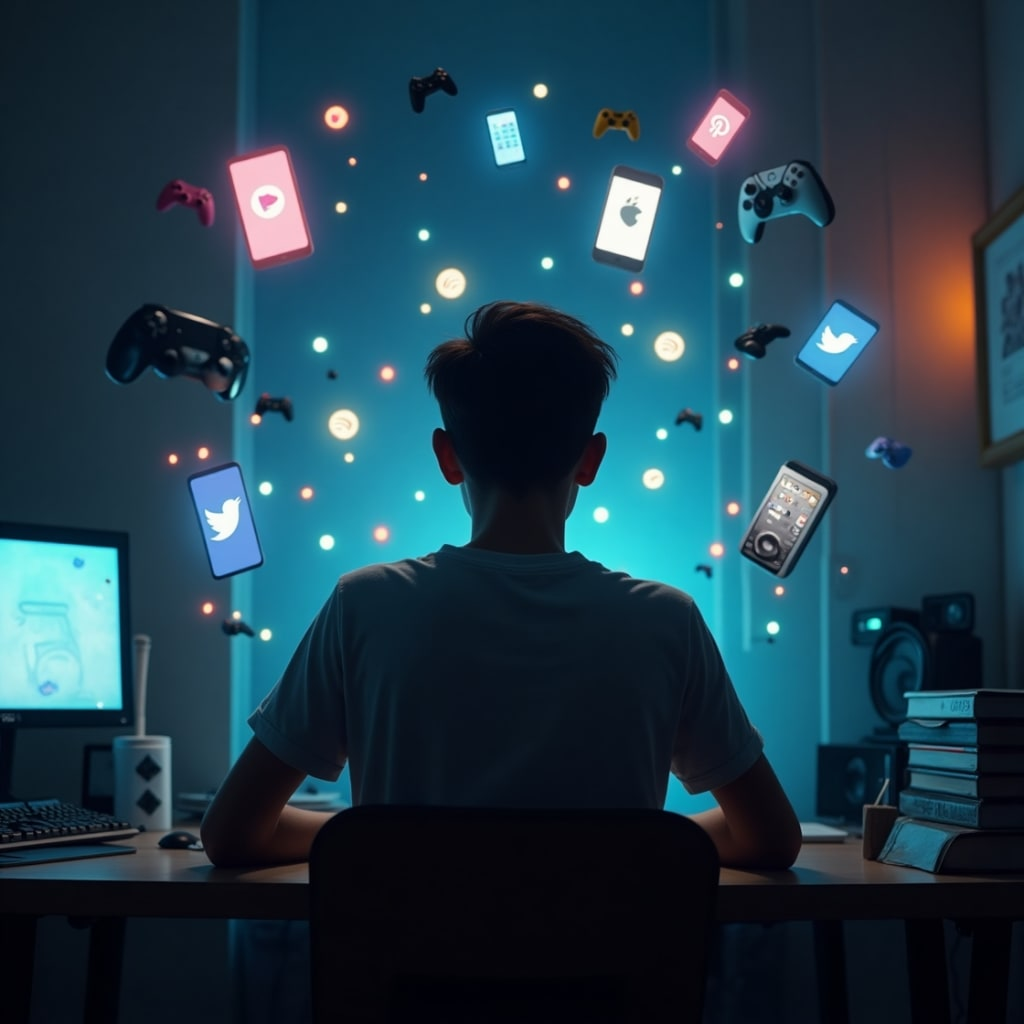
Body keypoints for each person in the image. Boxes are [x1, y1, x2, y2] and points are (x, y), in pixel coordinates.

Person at [201, 300, 802, 869]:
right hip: (598, 982)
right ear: (590, 460)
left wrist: (382, 843)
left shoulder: (363, 606)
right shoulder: (667, 621)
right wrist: (633, 847)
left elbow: (232, 832)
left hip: (408, 981)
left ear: (447, 456)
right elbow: (770, 837)